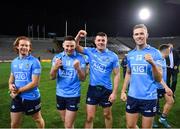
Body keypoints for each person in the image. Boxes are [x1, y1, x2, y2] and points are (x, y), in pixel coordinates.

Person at [120, 24, 163, 128]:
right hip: (132, 96)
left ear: (147, 35)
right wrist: (123, 90)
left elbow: (159, 78)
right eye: (136, 34)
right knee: (130, 126)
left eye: (141, 33)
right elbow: (129, 73)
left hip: (149, 97)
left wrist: (152, 63)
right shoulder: (130, 54)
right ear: (133, 36)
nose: (139, 36)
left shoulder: (155, 53)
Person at [75, 30, 120, 128]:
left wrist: (114, 93)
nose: (101, 42)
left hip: (106, 90)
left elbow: (117, 74)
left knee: (107, 115)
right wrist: (79, 36)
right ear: (95, 42)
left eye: (103, 40)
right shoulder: (90, 51)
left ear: (106, 41)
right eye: (99, 40)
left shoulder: (113, 56)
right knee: (89, 117)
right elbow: (76, 46)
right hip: (93, 89)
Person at [49, 36, 86, 128]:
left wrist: (78, 69)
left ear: (75, 46)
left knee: (68, 125)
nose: (69, 49)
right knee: (65, 121)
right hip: (60, 94)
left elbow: (83, 78)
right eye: (67, 46)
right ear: (63, 45)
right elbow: (52, 77)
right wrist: (55, 68)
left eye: (72, 46)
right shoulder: (57, 58)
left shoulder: (80, 58)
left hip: (73, 95)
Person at [8, 36, 45, 128]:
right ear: (17, 46)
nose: (24, 47)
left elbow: (35, 83)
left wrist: (17, 91)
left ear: (29, 48)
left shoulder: (35, 62)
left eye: (26, 45)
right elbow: (11, 79)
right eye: (22, 45)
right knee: (14, 124)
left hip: (31, 97)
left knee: (37, 119)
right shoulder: (14, 62)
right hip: (17, 98)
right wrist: (10, 86)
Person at [153, 44, 174, 128]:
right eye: (170, 50)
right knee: (153, 105)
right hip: (155, 86)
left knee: (170, 101)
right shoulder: (158, 60)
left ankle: (162, 119)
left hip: (162, 86)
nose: (170, 52)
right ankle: (152, 120)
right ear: (167, 51)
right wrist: (167, 87)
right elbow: (159, 78)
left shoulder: (163, 59)